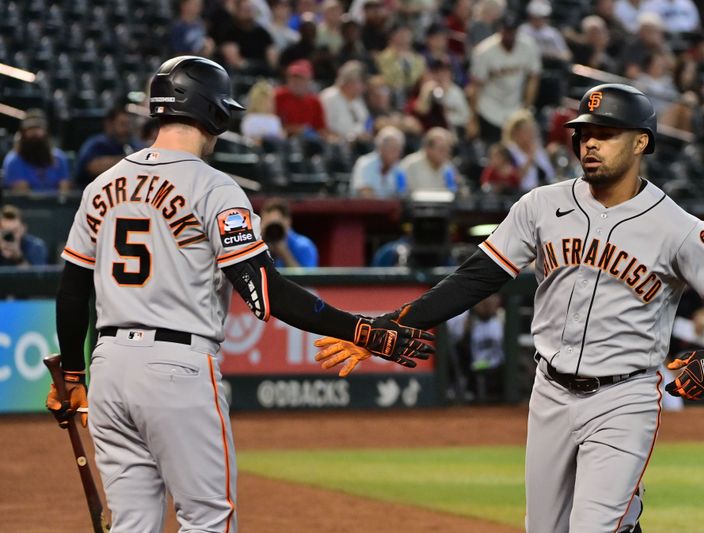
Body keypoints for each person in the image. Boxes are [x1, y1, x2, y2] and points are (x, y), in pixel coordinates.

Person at [314, 84, 704, 532]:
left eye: (606, 134)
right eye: (584, 134)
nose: (590, 144)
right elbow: (474, 279)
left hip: (626, 396)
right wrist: (387, 325)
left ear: (641, 141)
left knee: (592, 527)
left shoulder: (677, 227)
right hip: (549, 392)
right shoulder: (542, 205)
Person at [44, 56, 432, 533]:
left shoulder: (101, 186)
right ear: (214, 114)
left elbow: (72, 289)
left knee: (131, 525)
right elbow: (265, 290)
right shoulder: (214, 187)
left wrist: (73, 373)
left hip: (108, 368)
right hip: (176, 368)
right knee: (208, 520)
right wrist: (358, 329)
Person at [468, 14, 541, 144]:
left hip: (515, 108)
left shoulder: (528, 46)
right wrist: (473, 119)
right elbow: (475, 86)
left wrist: (527, 107)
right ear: (500, 30)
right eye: (506, 30)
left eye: (512, 31)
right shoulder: (485, 51)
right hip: (489, 109)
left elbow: (534, 77)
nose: (509, 34)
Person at [2, 109, 71, 193]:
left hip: (56, 205)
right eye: (30, 129)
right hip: (25, 205)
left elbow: (64, 193)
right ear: (23, 133)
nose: (35, 133)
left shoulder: (59, 158)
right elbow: (22, 195)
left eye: (38, 128)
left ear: (45, 132)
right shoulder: (14, 160)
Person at [74, 105, 141, 189]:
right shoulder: (96, 143)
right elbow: (92, 167)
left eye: (128, 125)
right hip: (93, 195)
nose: (126, 129)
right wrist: (130, 160)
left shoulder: (132, 144)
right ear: (109, 124)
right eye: (122, 124)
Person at [502, 109, 554, 191]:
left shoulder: (538, 150)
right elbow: (512, 179)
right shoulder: (507, 151)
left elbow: (550, 175)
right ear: (515, 133)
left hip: (539, 193)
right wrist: (530, 159)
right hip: (516, 195)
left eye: (532, 131)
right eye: (526, 131)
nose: (531, 134)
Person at [274, 60, 328, 138]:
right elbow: (269, 126)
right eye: (293, 78)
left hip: (309, 144)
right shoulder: (277, 96)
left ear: (309, 80)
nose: (297, 82)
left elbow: (321, 129)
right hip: (283, 141)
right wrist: (295, 129)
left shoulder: (315, 101)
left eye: (301, 79)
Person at [397, 127, 459, 194]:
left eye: (447, 150)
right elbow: (401, 194)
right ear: (428, 149)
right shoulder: (409, 165)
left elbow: (453, 193)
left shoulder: (448, 167)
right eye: (441, 150)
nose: (445, 154)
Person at [259, 198, 318, 267]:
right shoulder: (257, 243)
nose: (273, 230)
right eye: (269, 223)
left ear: (288, 221)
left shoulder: (304, 246)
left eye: (277, 225)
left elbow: (308, 277)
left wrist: (284, 253)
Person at [320, 61, 370, 142]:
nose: (364, 87)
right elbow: (324, 127)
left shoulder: (357, 99)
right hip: (338, 145)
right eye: (361, 82)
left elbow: (366, 120)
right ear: (349, 82)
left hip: (359, 143)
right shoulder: (330, 97)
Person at [350, 126, 405, 198]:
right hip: (363, 208)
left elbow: (402, 195)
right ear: (381, 148)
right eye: (393, 149)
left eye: (398, 150)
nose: (397, 154)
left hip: (388, 208)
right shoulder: (364, 163)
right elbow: (365, 194)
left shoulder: (399, 169)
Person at [240, 79, 285, 144]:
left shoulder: (274, 119)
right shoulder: (249, 119)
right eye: (269, 100)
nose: (272, 103)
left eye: (271, 100)